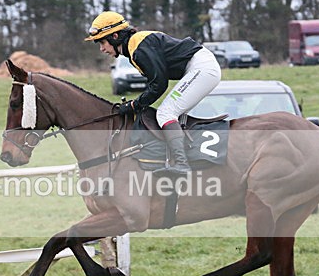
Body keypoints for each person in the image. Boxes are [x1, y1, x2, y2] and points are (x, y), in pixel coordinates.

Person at [85, 11, 221, 175]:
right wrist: (136, 103)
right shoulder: (135, 46)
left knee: (165, 113)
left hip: (201, 68)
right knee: (172, 112)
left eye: (102, 43)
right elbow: (155, 83)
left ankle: (182, 163)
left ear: (115, 36)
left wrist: (134, 104)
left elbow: (159, 84)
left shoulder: (138, 47)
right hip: (199, 67)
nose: (101, 49)